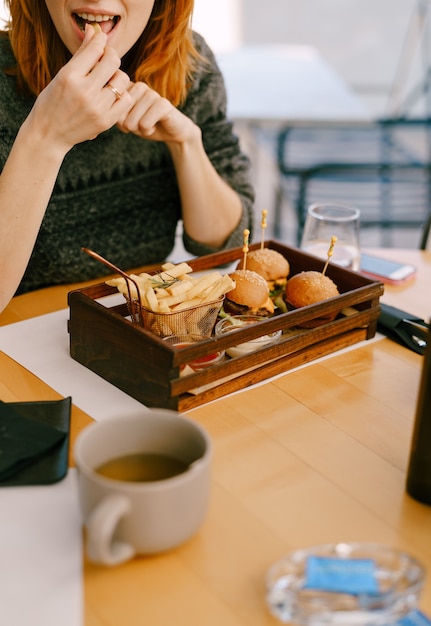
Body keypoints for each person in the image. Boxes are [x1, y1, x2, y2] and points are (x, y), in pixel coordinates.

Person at [0, 0, 254, 312]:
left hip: (142, 331)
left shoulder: (189, 62)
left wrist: (186, 144)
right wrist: (45, 138)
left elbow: (225, 245)